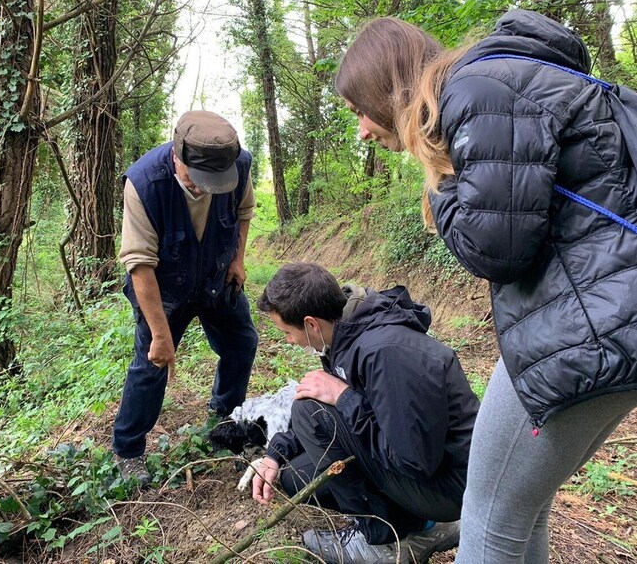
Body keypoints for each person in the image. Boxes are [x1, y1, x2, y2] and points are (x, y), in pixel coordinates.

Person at [336, 9, 637, 564]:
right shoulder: (504, 81)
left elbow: (496, 247)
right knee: (522, 504)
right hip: (607, 317)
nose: (361, 129)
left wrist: (442, 191)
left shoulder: (476, 89)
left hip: (588, 328)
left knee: (487, 515)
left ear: (389, 88)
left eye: (360, 110)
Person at [252, 262, 479, 564]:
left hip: (450, 485)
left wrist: (344, 398)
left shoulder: (386, 353)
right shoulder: (344, 334)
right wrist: (275, 454)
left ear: (310, 324)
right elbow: (344, 411)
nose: (288, 341)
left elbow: (414, 461)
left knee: (308, 412)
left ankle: (385, 542)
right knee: (297, 477)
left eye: (287, 332)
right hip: (420, 465)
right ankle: (428, 530)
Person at [113, 110, 259, 485]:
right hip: (165, 291)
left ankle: (223, 415)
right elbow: (140, 265)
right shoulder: (144, 184)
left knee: (242, 343)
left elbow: (244, 212)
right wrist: (161, 337)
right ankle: (128, 450)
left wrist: (239, 260)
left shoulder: (238, 165)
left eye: (216, 181)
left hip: (216, 276)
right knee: (150, 365)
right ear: (178, 157)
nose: (206, 188)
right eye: (198, 179)